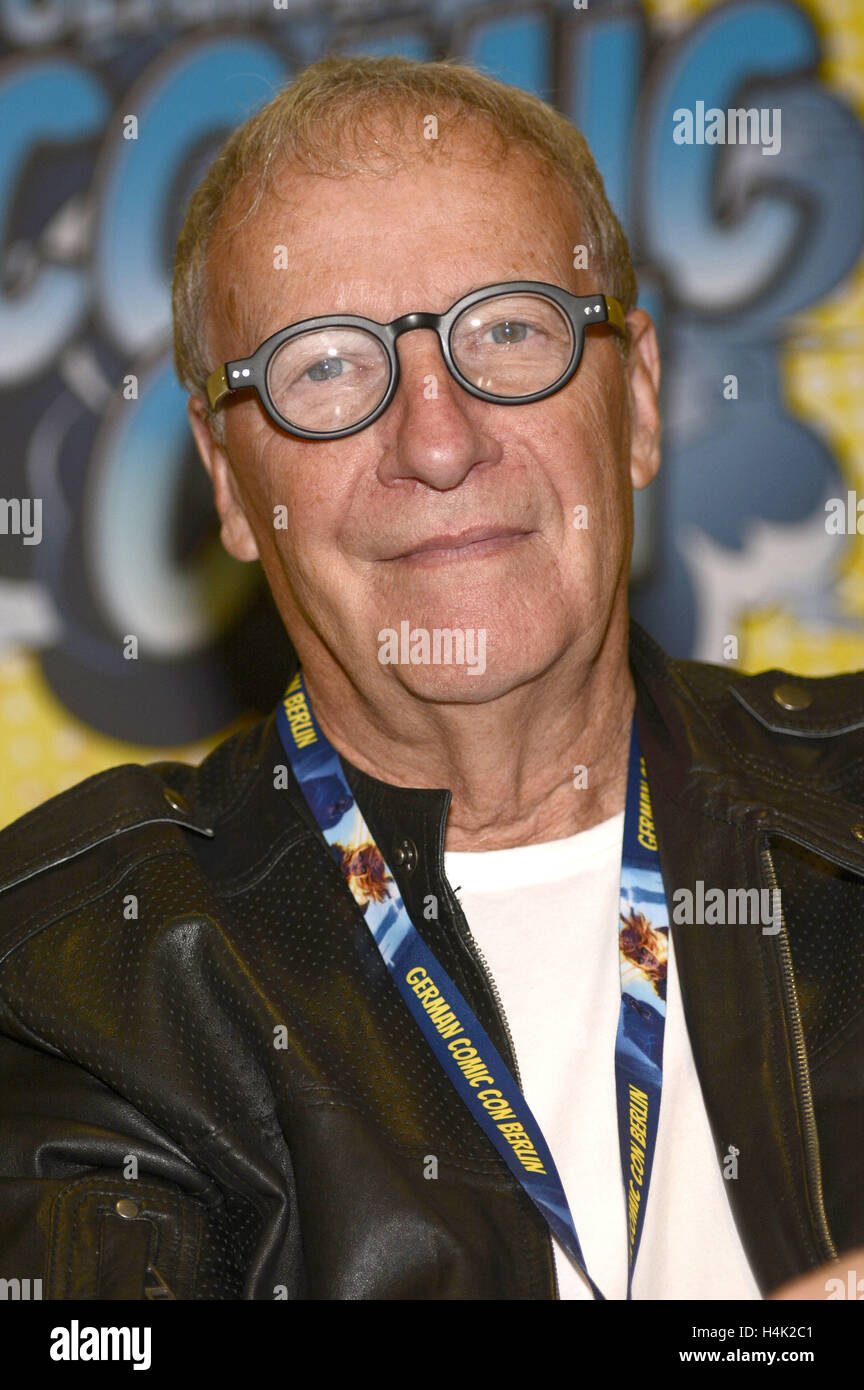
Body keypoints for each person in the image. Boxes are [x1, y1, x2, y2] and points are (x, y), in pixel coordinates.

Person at [0, 53, 861, 1302]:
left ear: (640, 402)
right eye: (327, 366)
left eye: (509, 328)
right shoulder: (77, 974)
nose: (440, 437)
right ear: (231, 482)